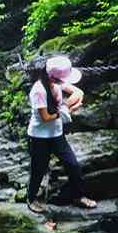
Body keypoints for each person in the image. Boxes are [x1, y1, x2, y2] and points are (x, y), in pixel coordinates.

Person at [25, 55, 95, 213]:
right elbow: (45, 118)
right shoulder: (38, 90)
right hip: (39, 137)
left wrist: (74, 100)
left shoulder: (57, 82)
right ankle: (31, 198)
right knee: (39, 169)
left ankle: (78, 195)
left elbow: (78, 92)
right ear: (55, 78)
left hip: (56, 134)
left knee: (72, 164)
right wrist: (66, 109)